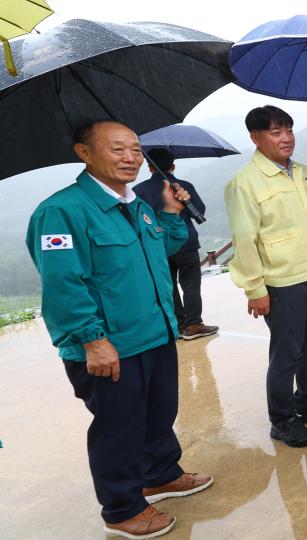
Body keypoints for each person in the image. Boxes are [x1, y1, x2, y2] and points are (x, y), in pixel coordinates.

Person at [25, 120, 213, 538]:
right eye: (116, 149)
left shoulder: (138, 206)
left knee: (159, 412)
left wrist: (171, 213)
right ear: (84, 153)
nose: (129, 157)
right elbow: (63, 283)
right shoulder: (61, 212)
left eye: (134, 149)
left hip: (155, 333)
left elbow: (158, 250)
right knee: (119, 427)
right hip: (110, 345)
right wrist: (92, 340)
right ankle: (122, 508)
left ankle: (160, 474)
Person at [224, 105, 307, 448]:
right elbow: (245, 241)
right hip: (281, 284)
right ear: (256, 137)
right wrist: (254, 290)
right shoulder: (244, 184)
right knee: (286, 355)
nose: (286, 138)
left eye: (289, 130)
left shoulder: (303, 172)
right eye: (276, 132)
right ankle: (281, 420)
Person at [133, 148, 219, 341]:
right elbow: (200, 210)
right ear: (173, 165)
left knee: (168, 285)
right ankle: (194, 324)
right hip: (186, 242)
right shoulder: (182, 185)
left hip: (158, 245)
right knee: (191, 285)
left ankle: (179, 325)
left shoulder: (139, 191)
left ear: (149, 167)